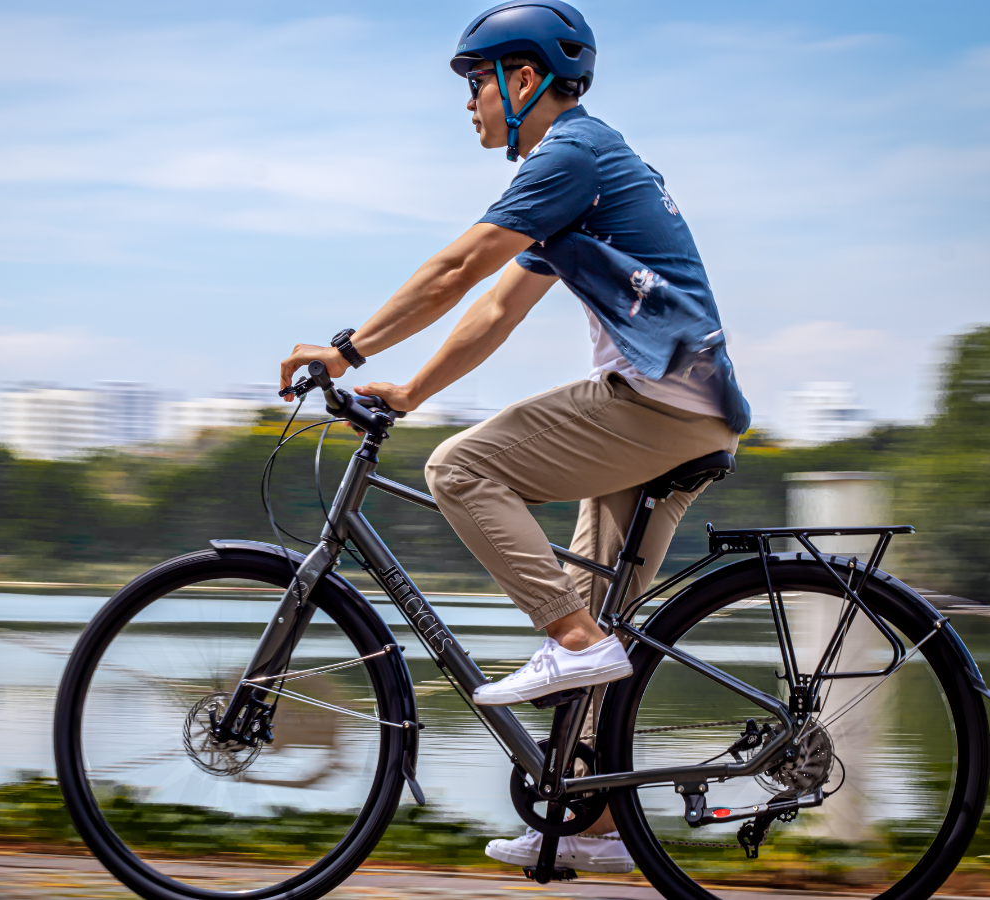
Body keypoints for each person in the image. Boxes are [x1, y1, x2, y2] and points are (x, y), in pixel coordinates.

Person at [279, 0, 750, 876]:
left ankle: (570, 641)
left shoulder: (569, 155)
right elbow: (497, 305)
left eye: (476, 84)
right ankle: (594, 823)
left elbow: (459, 268)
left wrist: (346, 350)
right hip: (691, 408)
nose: (469, 103)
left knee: (462, 468)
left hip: (660, 401)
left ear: (524, 78)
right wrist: (410, 390)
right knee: (599, 618)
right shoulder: (585, 166)